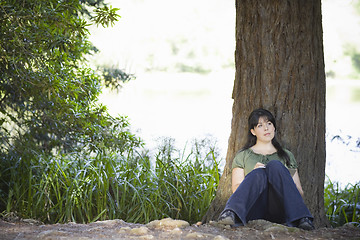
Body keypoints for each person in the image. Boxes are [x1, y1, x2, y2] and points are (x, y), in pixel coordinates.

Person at [217, 108, 314, 230]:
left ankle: (302, 219)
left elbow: (299, 192)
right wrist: (254, 173)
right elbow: (236, 188)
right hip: (254, 208)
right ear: (253, 131)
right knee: (258, 173)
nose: (266, 128)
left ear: (274, 127)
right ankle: (230, 213)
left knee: (275, 166)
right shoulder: (243, 155)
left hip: (279, 208)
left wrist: (282, 176)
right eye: (260, 125)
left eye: (269, 124)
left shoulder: (286, 155)